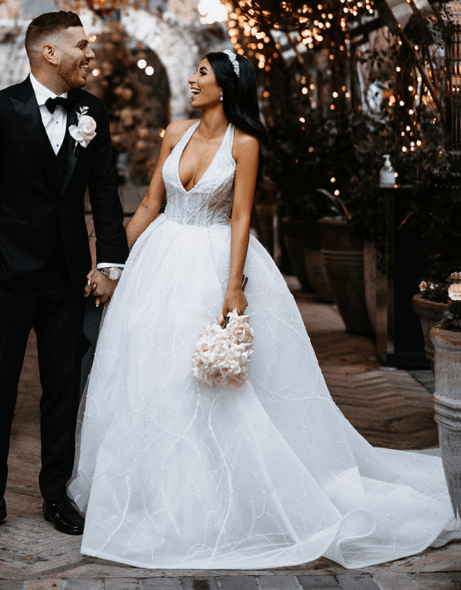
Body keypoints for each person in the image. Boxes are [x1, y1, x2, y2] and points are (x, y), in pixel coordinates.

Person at [69, 49, 456, 569]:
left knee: (210, 382)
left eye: (202, 73)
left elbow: (240, 217)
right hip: (159, 263)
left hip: (212, 263)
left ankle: (220, 496)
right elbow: (147, 206)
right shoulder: (173, 130)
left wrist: (233, 287)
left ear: (225, 86)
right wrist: (111, 266)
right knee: (150, 375)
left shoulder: (245, 144)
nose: (191, 79)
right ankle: (152, 493)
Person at [0, 10, 128, 543]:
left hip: (68, 277)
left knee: (63, 388)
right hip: (5, 274)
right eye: (81, 44)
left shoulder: (92, 112)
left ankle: (57, 495)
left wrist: (110, 263)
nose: (90, 53)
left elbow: (104, 193)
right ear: (49, 52)